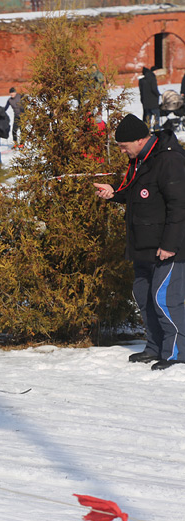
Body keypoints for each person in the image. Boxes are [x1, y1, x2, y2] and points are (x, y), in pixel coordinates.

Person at [94, 114, 185, 370]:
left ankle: (178, 353)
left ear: (140, 139)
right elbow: (138, 192)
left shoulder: (168, 159)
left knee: (165, 298)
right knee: (144, 295)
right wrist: (114, 193)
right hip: (144, 245)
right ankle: (156, 347)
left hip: (169, 247)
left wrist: (169, 244)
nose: (122, 151)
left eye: (124, 146)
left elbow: (179, 206)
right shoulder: (139, 159)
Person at [139, 66, 161, 131]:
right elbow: (154, 89)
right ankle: (156, 128)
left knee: (148, 116)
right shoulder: (152, 78)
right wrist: (158, 95)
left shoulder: (142, 80)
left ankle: (147, 129)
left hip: (146, 102)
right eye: (156, 71)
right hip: (153, 101)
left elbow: (141, 91)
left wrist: (142, 100)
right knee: (156, 115)